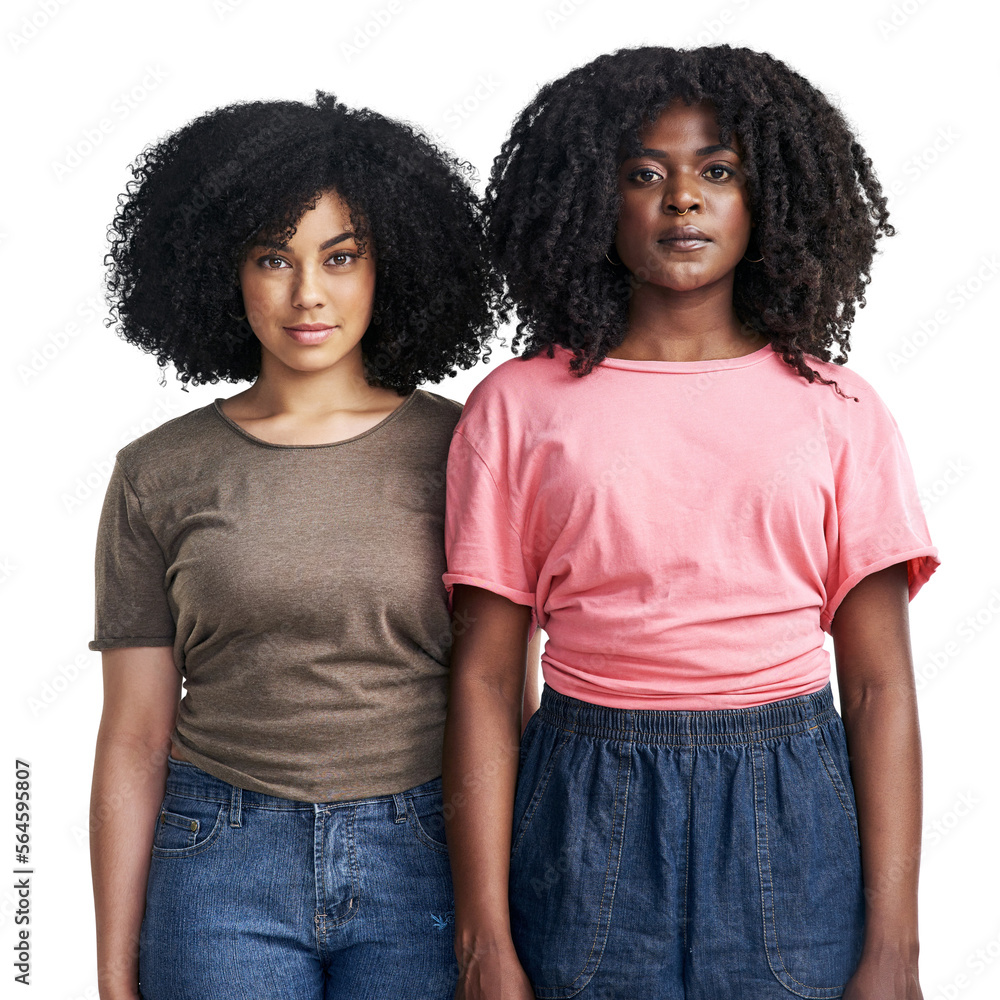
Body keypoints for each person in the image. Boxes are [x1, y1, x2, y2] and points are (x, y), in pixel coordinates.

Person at [441, 45, 938, 1000]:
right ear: (594, 199)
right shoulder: (517, 406)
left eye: (718, 171)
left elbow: (878, 688)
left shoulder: (840, 411)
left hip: (790, 802)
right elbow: (486, 675)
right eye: (645, 174)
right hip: (583, 798)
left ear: (772, 200)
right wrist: (483, 941)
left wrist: (896, 945)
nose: (683, 200)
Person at [87, 92, 540, 1000]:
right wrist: (110, 971)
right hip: (217, 856)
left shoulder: (469, 448)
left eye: (341, 257)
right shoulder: (156, 472)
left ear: (390, 266)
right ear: (224, 271)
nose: (308, 295)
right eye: (272, 259)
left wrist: (513, 917)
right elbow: (134, 735)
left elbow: (506, 695)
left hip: (430, 852)